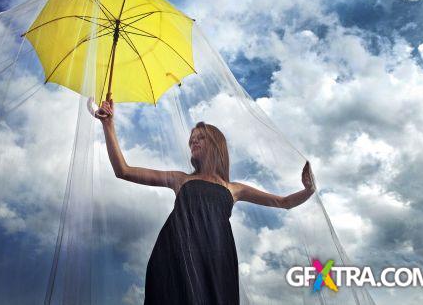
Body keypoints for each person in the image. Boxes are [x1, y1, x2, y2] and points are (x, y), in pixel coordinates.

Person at [92, 99, 316, 305]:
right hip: (175, 255)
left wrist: (308, 190)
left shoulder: (233, 189)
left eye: (200, 138)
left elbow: (284, 202)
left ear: (216, 144)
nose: (194, 142)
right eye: (191, 140)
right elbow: (123, 170)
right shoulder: (180, 179)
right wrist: (109, 125)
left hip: (216, 259)